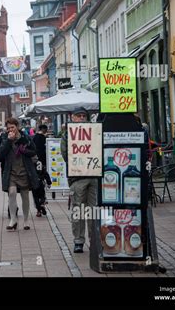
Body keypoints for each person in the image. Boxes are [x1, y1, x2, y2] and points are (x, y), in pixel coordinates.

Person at [60, 107, 98, 253]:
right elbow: (65, 154)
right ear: (72, 118)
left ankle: (94, 240)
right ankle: (78, 241)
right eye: (78, 116)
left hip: (94, 175)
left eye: (84, 116)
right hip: (77, 177)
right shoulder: (68, 135)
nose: (82, 118)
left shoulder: (94, 131)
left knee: (93, 210)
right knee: (78, 209)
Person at [0, 117, 39, 231]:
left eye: (12, 127)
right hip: (11, 171)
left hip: (24, 170)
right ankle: (13, 220)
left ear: (17, 127)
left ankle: (26, 220)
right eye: (8, 128)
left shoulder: (25, 137)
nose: (10, 130)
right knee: (12, 193)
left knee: (25, 195)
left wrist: (24, 150)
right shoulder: (4, 138)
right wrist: (9, 141)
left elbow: (34, 151)